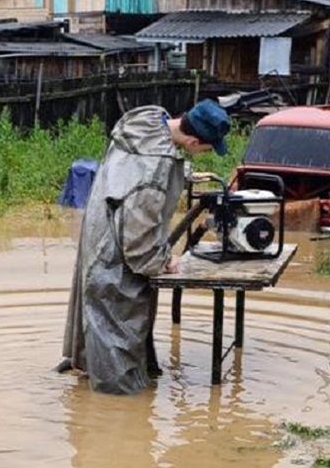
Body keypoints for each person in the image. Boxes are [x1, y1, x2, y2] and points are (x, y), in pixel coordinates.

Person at [59, 100, 232, 395]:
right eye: (206, 148)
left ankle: (96, 385)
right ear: (192, 140)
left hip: (98, 237)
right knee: (118, 350)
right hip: (114, 262)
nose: (206, 153)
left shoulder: (147, 125)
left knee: (102, 335)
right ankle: (118, 418)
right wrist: (165, 261)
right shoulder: (154, 166)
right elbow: (138, 240)